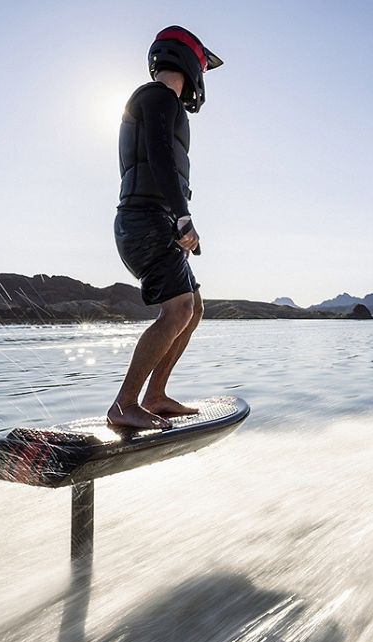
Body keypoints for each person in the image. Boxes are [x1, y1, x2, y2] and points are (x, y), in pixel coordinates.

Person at [107, 26, 223, 429]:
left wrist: (178, 219)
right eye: (204, 67)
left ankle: (155, 396)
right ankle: (124, 404)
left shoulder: (157, 100)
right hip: (146, 221)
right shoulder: (157, 97)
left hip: (153, 220)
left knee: (192, 308)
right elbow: (158, 155)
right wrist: (182, 216)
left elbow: (161, 162)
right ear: (191, 63)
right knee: (179, 309)